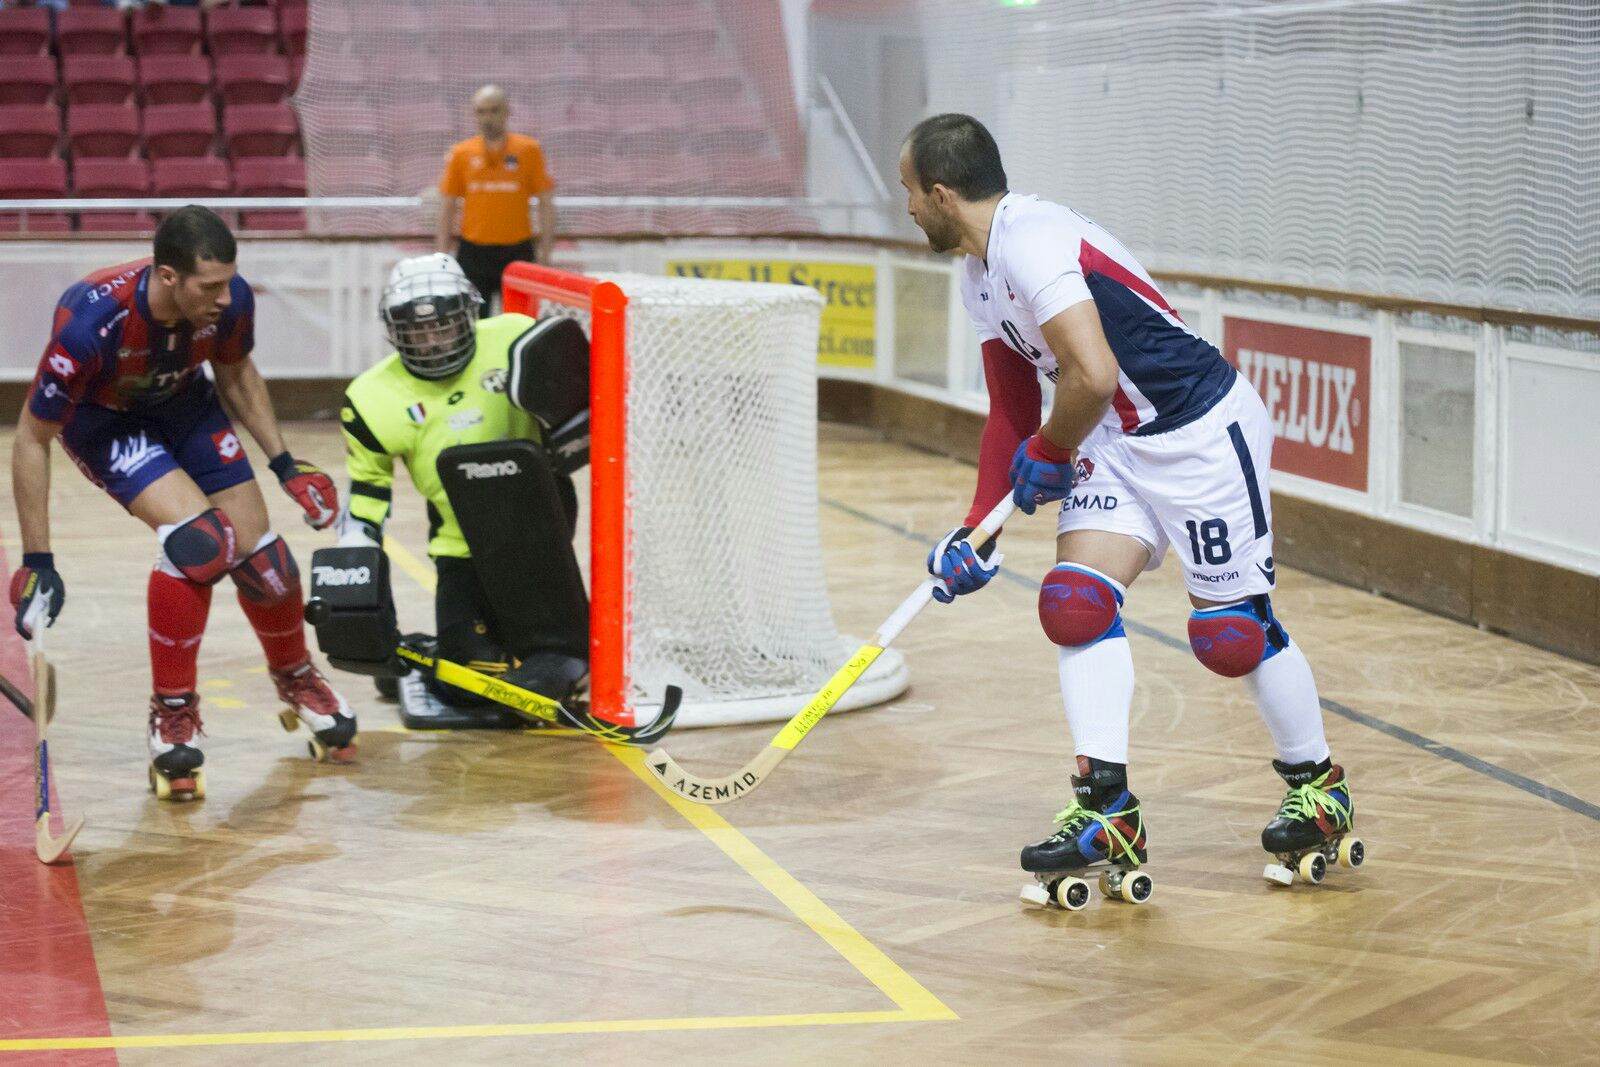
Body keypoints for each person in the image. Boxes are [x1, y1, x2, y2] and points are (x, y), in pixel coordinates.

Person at [902, 114, 1355, 896]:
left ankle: (1319, 789)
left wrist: (1048, 453)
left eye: (909, 191)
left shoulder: (1032, 241)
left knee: (1231, 633)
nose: (905, 207)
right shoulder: (979, 273)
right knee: (1074, 604)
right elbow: (1012, 407)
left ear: (943, 193)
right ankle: (1107, 810)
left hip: (1199, 432)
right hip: (1114, 440)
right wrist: (978, 527)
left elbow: (1093, 374)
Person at [9, 206, 355, 801]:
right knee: (200, 543)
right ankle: (172, 715)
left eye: (228, 282)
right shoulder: (89, 324)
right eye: (210, 286)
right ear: (167, 277)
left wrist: (283, 462)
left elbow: (237, 372)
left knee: (265, 561)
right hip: (106, 424)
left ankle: (296, 678)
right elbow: (32, 439)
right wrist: (39, 559)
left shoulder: (231, 302)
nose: (225, 297)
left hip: (184, 407)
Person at [332, 253, 589, 727]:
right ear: (394, 331)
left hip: (539, 535)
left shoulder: (516, 338)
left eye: (443, 327)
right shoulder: (369, 398)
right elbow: (368, 491)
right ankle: (427, 654)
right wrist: (352, 562)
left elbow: (579, 406)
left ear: (470, 314)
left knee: (555, 662)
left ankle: (532, 653)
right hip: (458, 544)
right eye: (416, 332)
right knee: (468, 681)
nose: (431, 343)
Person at [436, 85, 557, 314]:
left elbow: (546, 202)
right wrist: (442, 256)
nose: (487, 118)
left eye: (494, 111)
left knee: (520, 322)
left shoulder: (528, 150)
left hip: (517, 251)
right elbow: (447, 206)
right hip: (474, 252)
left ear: (507, 112)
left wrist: (545, 253)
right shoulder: (461, 153)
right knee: (474, 324)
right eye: (481, 112)